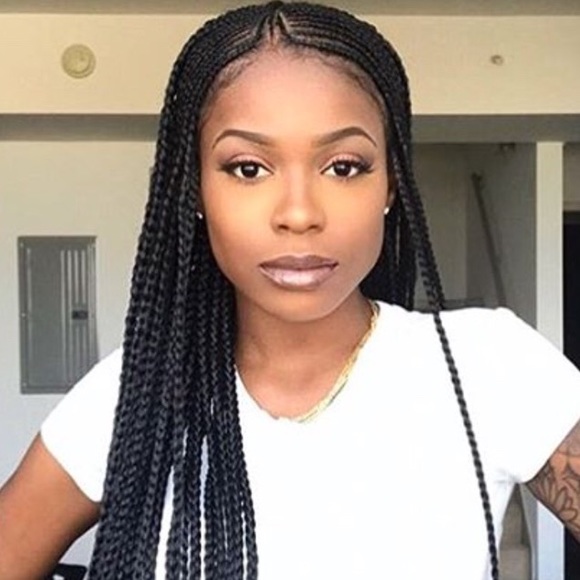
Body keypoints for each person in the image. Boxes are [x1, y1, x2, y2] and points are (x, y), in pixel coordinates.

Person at [1, 2, 580, 579]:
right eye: (248, 168)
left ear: (390, 184)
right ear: (195, 189)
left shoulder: (488, 367)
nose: (299, 213)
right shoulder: (135, 394)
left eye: (344, 166)